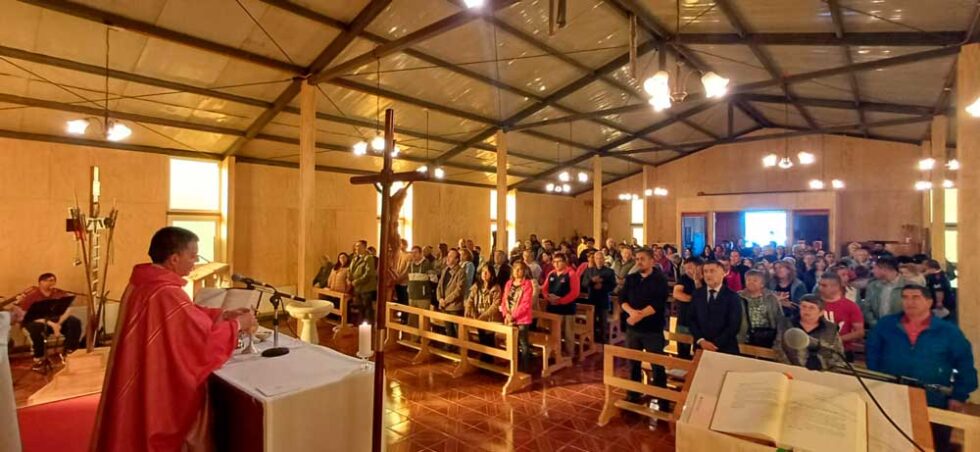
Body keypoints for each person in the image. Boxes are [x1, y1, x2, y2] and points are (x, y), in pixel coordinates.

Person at [93, 226, 256, 452]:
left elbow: (186, 316)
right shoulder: (166, 292)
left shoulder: (144, 282)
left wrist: (223, 314)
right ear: (174, 258)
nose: (195, 261)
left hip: (142, 370)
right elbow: (200, 342)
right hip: (160, 386)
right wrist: (238, 325)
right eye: (192, 256)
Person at [866, 285, 977, 452]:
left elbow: (965, 365)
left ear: (929, 302)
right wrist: (878, 384)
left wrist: (958, 395)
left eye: (915, 297)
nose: (909, 302)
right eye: (905, 297)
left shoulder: (948, 331)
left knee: (934, 443)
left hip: (933, 399)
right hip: (893, 397)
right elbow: (872, 356)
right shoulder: (886, 326)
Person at [619, 248, 670, 408]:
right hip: (633, 329)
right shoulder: (632, 278)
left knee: (657, 364)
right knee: (633, 363)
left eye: (642, 259)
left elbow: (658, 302)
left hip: (652, 328)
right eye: (637, 259)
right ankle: (633, 393)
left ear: (651, 261)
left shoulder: (660, 279)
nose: (638, 262)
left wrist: (638, 315)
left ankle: (662, 398)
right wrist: (632, 312)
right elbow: (622, 298)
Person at [9, 273, 82, 370]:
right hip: (36, 321)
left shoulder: (59, 293)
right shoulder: (32, 296)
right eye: (48, 280)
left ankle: (70, 351)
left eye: (53, 280)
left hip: (55, 320)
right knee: (36, 329)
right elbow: (28, 315)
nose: (51, 282)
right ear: (40, 283)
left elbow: (69, 308)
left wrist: (59, 323)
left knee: (74, 322)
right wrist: (52, 325)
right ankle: (40, 358)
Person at [774, 294, 845, 371]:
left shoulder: (831, 329)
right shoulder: (786, 325)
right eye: (804, 307)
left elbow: (838, 354)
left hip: (823, 372)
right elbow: (779, 348)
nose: (806, 311)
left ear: (821, 312)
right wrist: (791, 368)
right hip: (792, 370)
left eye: (812, 308)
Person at [689, 260, 742, 355]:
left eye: (712, 271)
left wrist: (714, 344)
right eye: (705, 271)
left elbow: (734, 325)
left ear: (723, 273)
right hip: (701, 347)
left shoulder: (732, 296)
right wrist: (701, 341)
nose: (708, 275)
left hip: (725, 349)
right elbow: (691, 320)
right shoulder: (697, 294)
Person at [816, 272, 864, 361]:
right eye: (819, 284)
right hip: (816, 350)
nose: (820, 288)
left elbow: (859, 332)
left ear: (836, 287)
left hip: (842, 351)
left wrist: (836, 340)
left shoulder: (850, 306)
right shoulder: (814, 304)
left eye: (824, 285)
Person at [542, 253, 580, 358]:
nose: (556, 264)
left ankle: (570, 354)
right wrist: (548, 297)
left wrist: (561, 301)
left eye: (559, 261)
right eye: (554, 262)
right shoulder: (551, 274)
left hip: (567, 308)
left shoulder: (571, 274)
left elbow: (575, 292)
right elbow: (544, 289)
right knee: (554, 332)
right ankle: (556, 352)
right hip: (553, 308)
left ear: (565, 262)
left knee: (568, 333)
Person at [501, 261, 534, 372]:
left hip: (522, 319)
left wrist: (513, 316)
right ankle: (513, 365)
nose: (517, 271)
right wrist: (506, 314)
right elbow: (504, 300)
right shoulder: (509, 283)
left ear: (524, 271)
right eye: (515, 269)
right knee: (511, 342)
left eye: (520, 269)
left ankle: (525, 367)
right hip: (509, 317)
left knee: (523, 343)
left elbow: (525, 304)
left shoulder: (527, 284)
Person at [737, 270, 782, 348]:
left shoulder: (771, 298)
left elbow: (779, 319)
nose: (751, 282)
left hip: (767, 337)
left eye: (755, 280)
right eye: (748, 280)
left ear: (762, 284)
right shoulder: (738, 297)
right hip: (745, 337)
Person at [465, 264, 502, 359]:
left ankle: (489, 359)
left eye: (487, 272)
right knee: (482, 338)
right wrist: (469, 309)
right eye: (482, 271)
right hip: (478, 315)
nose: (484, 274)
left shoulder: (495, 287)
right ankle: (483, 357)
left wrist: (484, 316)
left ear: (492, 274)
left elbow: (495, 305)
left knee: (489, 340)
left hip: (490, 318)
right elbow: (470, 299)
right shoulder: (477, 286)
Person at [579, 251, 616, 344]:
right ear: (594, 260)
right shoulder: (589, 271)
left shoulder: (609, 271)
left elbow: (613, 285)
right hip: (592, 298)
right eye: (597, 258)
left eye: (601, 258)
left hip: (603, 298)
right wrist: (592, 281)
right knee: (592, 320)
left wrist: (602, 286)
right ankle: (593, 339)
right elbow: (583, 284)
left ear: (604, 259)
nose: (599, 260)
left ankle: (603, 340)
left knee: (603, 321)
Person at [862, 257, 907, 329]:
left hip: (902, 331)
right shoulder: (873, 286)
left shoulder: (909, 286)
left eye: (874, 268)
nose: (872, 271)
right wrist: (876, 324)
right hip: (878, 329)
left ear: (884, 269)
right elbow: (866, 308)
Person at [672, 258, 703, 359]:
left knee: (699, 352)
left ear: (699, 267)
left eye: (690, 268)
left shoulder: (707, 278)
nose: (687, 271)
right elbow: (677, 293)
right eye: (685, 268)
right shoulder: (684, 278)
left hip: (701, 322)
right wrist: (694, 300)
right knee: (682, 351)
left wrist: (697, 281)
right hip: (684, 319)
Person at [436, 249, 467, 341]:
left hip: (454, 306)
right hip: (444, 305)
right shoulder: (445, 270)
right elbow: (439, 286)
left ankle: (459, 349)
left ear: (457, 259)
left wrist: (446, 301)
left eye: (451, 256)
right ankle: (450, 345)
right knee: (448, 329)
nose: (448, 258)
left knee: (457, 331)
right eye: (448, 256)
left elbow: (459, 290)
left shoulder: (460, 272)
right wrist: (440, 299)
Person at [406, 246, 436, 336]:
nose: (413, 255)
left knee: (424, 321)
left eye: (415, 252)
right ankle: (414, 340)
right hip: (412, 296)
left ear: (420, 253)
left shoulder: (427, 264)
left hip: (423, 297)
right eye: (412, 253)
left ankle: (424, 340)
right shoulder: (410, 265)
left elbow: (434, 279)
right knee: (413, 320)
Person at [349, 240, 379, 324]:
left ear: (364, 247)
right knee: (360, 307)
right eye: (356, 246)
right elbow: (350, 270)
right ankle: (361, 325)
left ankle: (369, 326)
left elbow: (368, 273)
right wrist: (349, 279)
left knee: (367, 308)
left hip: (366, 288)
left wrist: (357, 281)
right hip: (358, 288)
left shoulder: (369, 258)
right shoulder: (355, 258)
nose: (356, 248)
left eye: (359, 246)